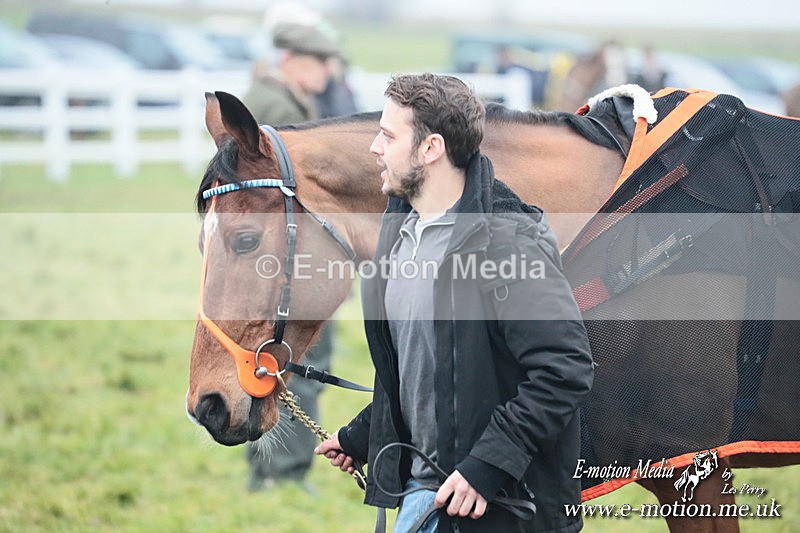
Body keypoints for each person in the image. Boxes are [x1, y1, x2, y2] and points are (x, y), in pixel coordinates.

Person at [315, 73, 594, 532]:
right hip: (421, 497)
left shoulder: (506, 241)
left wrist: (486, 466)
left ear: (431, 149)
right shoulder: (400, 233)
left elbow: (564, 369)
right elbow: (428, 367)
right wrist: (363, 435)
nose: (374, 148)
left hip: (498, 510)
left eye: (388, 135)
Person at [242, 20, 343, 493]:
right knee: (302, 363)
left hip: (273, 258)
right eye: (318, 62)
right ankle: (286, 474)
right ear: (289, 61)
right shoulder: (278, 108)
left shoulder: (269, 98)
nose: (328, 70)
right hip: (292, 260)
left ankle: (265, 470)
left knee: (266, 360)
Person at [242, 22, 340, 126]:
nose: (328, 71)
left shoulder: (264, 89)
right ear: (287, 59)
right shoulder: (283, 110)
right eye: (321, 61)